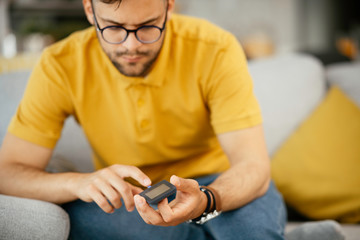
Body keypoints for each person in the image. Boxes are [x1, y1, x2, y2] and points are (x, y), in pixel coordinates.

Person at [0, 0, 286, 239]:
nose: (131, 46)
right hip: (132, 198)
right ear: (89, 10)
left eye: (148, 27)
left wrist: (208, 199)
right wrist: (77, 183)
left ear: (169, 7)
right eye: (113, 28)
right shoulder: (59, 65)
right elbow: (8, 173)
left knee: (251, 227)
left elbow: (253, 165)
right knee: (73, 217)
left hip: (217, 185)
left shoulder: (215, 47)